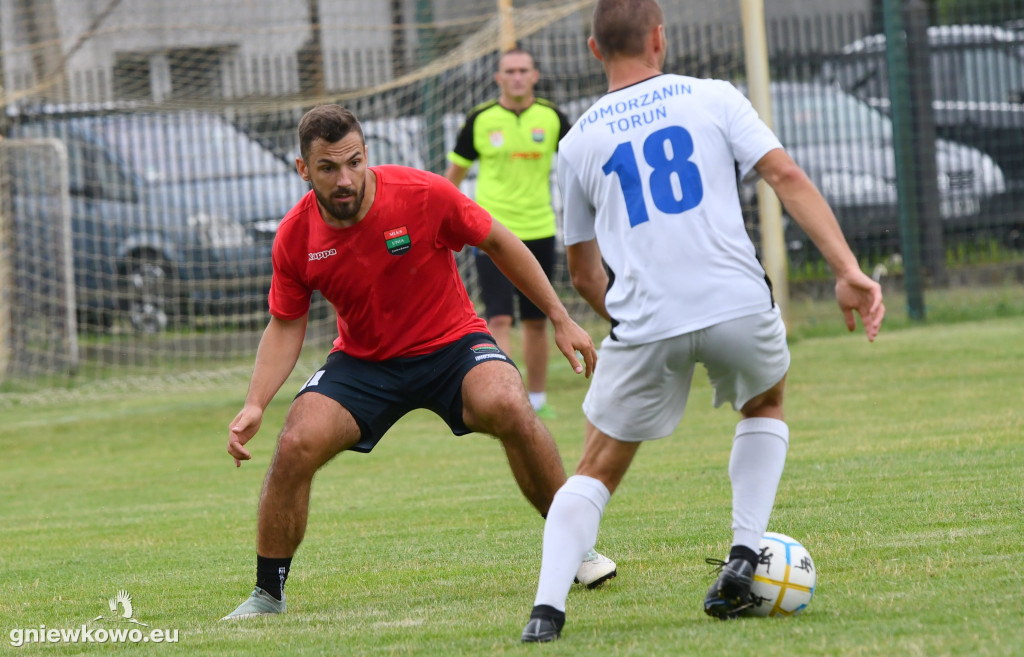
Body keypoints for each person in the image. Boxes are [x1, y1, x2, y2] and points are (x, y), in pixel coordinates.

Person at [520, 0, 886, 642]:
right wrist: (847, 270)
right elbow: (784, 174)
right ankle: (744, 555)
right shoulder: (714, 96)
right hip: (736, 301)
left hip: (645, 318)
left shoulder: (576, 142)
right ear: (659, 39)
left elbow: (582, 272)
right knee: (765, 402)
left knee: (597, 466)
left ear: (594, 49)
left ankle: (545, 615)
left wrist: (639, 318)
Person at [222, 104, 616, 620]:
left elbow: (499, 242)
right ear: (303, 170)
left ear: (366, 155)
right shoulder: (296, 236)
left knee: (507, 402)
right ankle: (266, 595)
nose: (345, 179)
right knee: (296, 443)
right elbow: (285, 323)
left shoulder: (423, 194)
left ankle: (577, 549)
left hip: (452, 345)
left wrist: (560, 317)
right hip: (364, 363)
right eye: (328, 168)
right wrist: (256, 403)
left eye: (354, 162)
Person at [444, 48, 571, 420]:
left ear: (535, 76)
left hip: (539, 229)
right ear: (498, 78)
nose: (517, 77)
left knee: (537, 319)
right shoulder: (480, 119)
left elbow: (579, 166)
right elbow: (452, 180)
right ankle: (507, 398)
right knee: (499, 319)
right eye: (509, 71)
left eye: (523, 70)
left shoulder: (552, 117)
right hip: (492, 235)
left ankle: (538, 399)